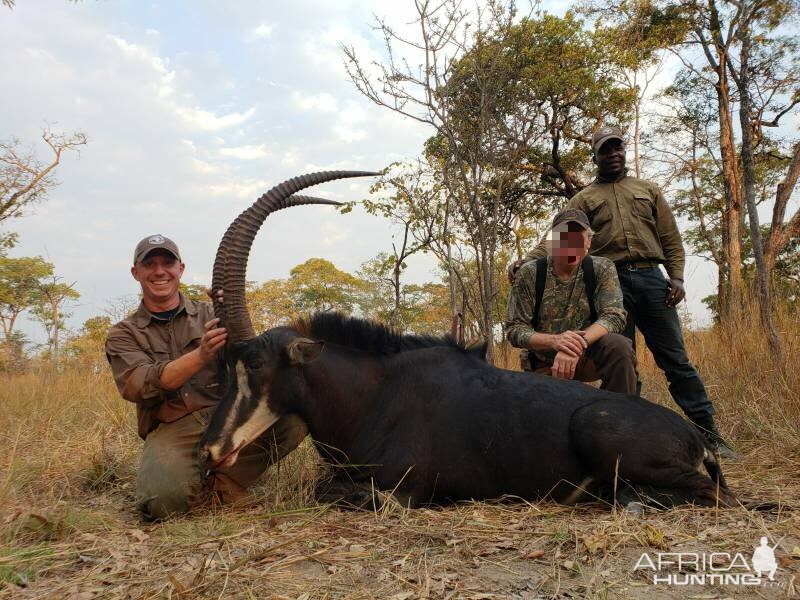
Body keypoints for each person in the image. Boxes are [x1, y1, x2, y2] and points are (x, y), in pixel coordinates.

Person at [508, 126, 735, 457]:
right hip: (610, 283)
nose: (612, 154)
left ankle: (709, 433)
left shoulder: (648, 190)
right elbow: (557, 238)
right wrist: (524, 262)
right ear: (596, 156)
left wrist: (677, 277)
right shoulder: (584, 199)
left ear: (623, 151)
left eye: (617, 148)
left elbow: (670, 237)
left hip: (651, 281)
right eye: (605, 150)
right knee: (622, 357)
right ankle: (626, 437)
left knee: (676, 360)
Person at [105, 234, 308, 520]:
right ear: (136, 273)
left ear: (181, 269)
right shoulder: (123, 333)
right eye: (149, 264)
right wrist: (199, 356)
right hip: (173, 425)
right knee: (164, 504)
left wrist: (235, 317)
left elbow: (249, 359)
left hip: (224, 412)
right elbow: (139, 385)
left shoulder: (210, 313)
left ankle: (223, 485)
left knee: (293, 421)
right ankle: (192, 477)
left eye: (167, 263)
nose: (159, 271)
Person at [506, 208, 636, 395]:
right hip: (545, 363)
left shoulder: (602, 268)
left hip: (587, 358)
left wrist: (573, 346)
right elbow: (514, 329)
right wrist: (555, 341)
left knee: (620, 347)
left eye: (578, 238)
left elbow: (614, 316)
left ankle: (619, 417)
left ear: (588, 242)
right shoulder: (530, 273)